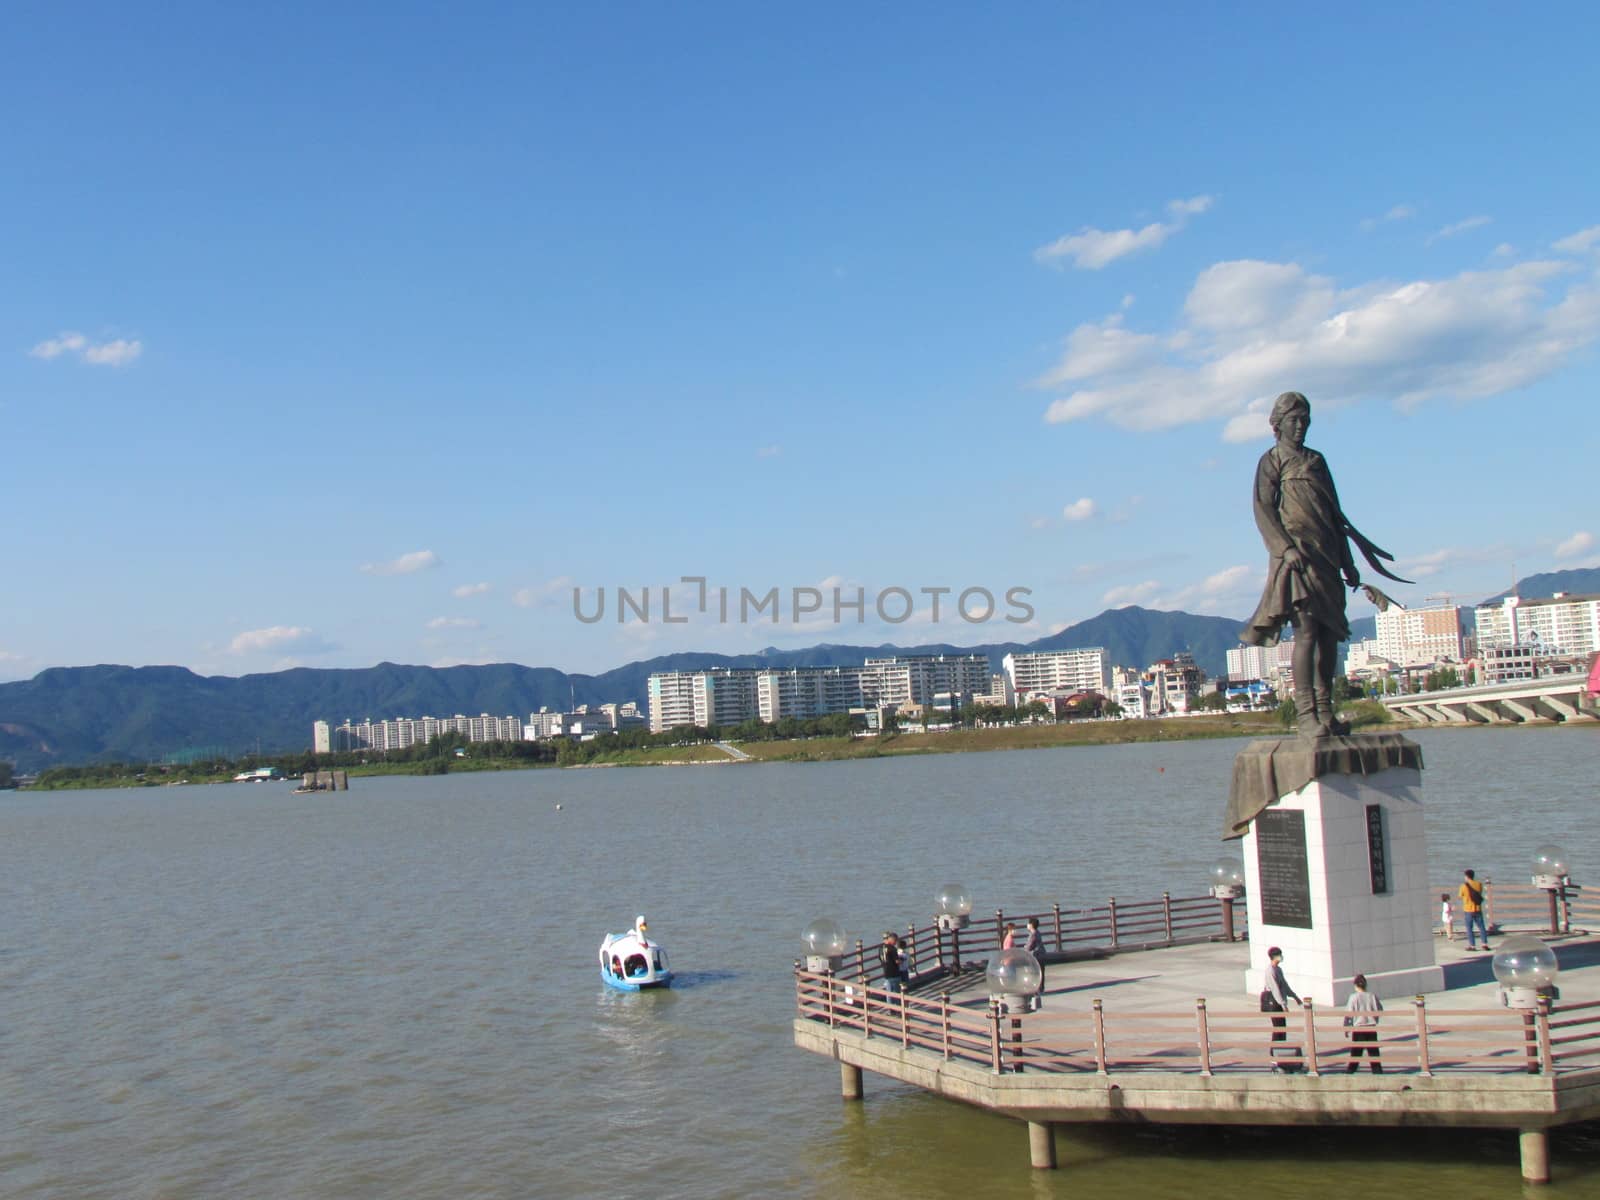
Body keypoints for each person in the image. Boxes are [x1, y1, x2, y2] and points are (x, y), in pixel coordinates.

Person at [1240, 392, 1409, 738]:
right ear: (1277, 425)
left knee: (1331, 636)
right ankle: (1307, 714)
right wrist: (1285, 548)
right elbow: (1263, 509)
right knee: (1308, 632)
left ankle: (1326, 710)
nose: (1300, 426)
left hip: (1327, 554)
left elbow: (1335, 515)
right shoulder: (1272, 461)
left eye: (1305, 420)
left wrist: (1348, 561)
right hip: (1297, 558)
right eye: (1293, 420)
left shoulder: (1317, 461)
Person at [1262, 946, 1299, 1067]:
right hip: (1274, 1004)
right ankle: (1273, 1054)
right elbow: (1275, 989)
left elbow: (1284, 985)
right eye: (1279, 954)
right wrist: (1283, 1005)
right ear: (1274, 956)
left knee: (1282, 1028)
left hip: (1279, 1002)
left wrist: (1294, 996)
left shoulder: (1278, 969)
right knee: (1278, 1028)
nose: (1281, 957)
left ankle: (1280, 1051)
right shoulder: (1270, 971)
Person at [1344, 973, 1384, 1073]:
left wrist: (1346, 1028)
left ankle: (1350, 1072)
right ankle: (1377, 1072)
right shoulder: (1372, 996)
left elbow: (1349, 1014)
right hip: (1371, 1026)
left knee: (1356, 1053)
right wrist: (1375, 1018)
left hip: (1359, 1028)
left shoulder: (1353, 997)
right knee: (1373, 1052)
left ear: (1355, 985)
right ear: (1365, 985)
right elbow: (1380, 1009)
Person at [1460, 869, 1490, 951]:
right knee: (1481, 927)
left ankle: (1472, 946)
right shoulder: (1479, 884)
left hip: (1468, 909)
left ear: (1466, 876)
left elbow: (1460, 896)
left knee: (1469, 928)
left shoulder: (1463, 886)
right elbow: (1480, 893)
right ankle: (1484, 944)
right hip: (1477, 908)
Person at [1022, 917, 1046, 996]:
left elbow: (1029, 947)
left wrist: (1023, 949)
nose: (1027, 925)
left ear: (1031, 925)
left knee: (1035, 973)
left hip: (1036, 956)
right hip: (1041, 954)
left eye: (1028, 923)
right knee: (1041, 972)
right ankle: (1041, 989)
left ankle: (1036, 989)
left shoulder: (1033, 935)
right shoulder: (1037, 932)